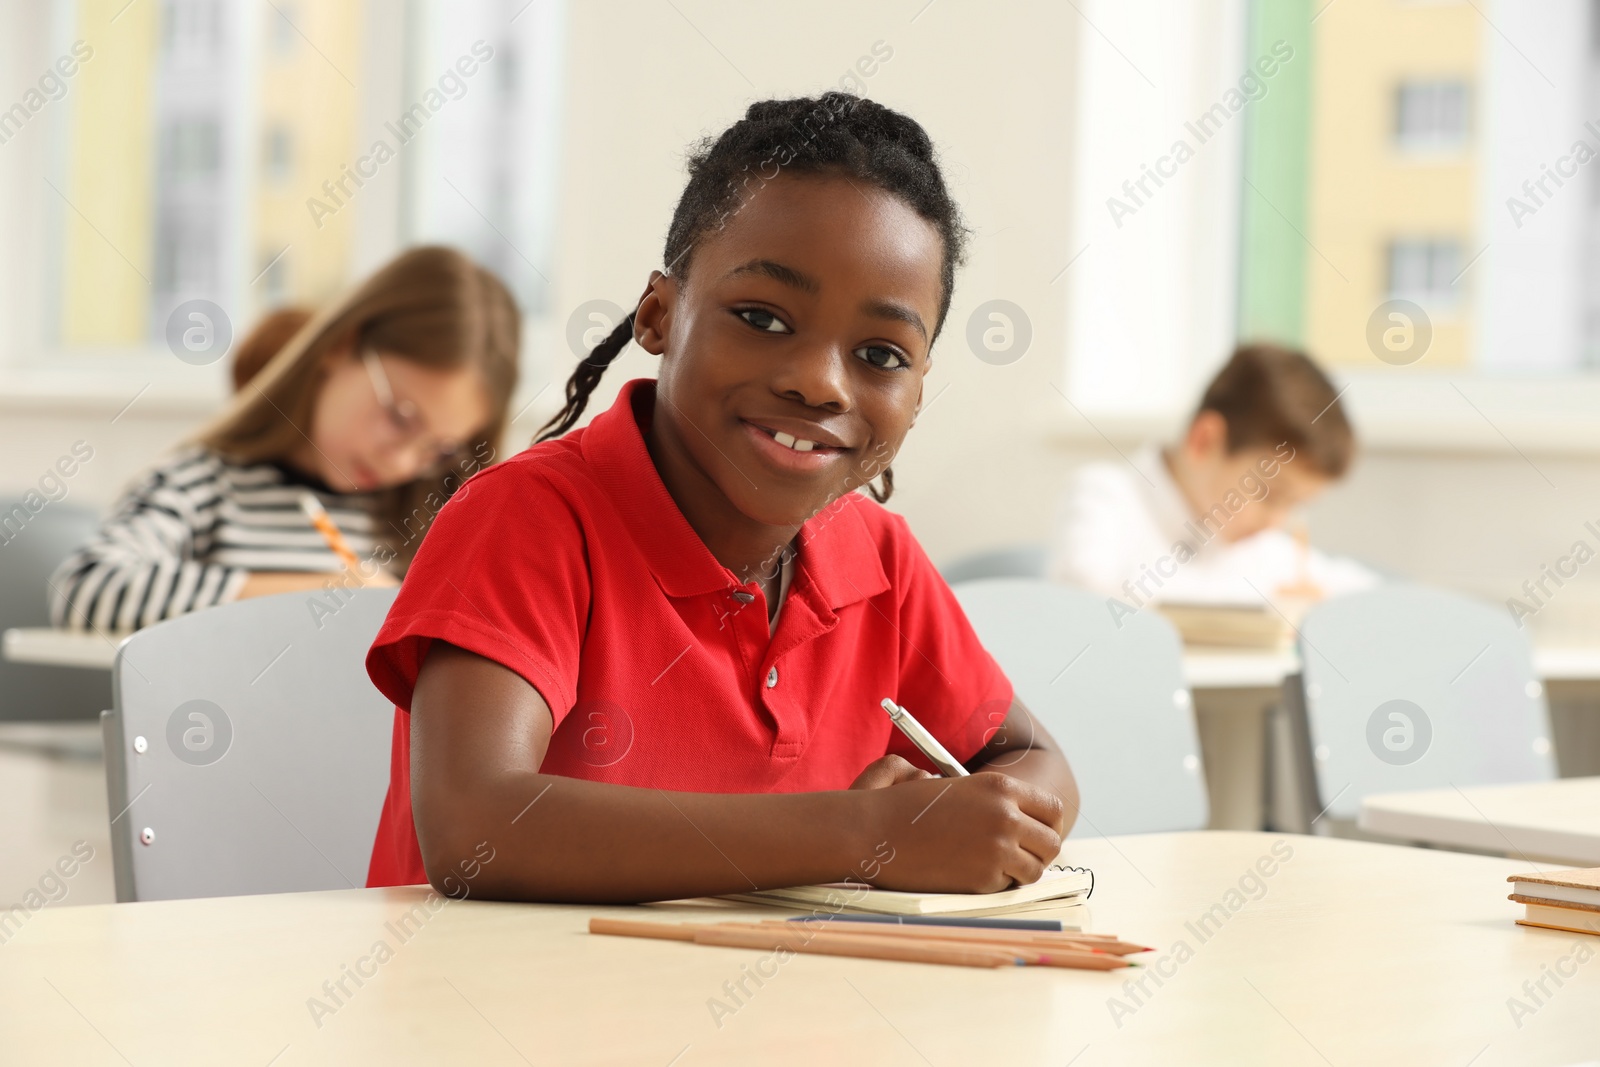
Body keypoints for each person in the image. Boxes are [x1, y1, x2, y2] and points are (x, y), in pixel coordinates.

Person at [364, 93, 1078, 903]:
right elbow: (476, 828)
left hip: (764, 1020)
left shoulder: (878, 557)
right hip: (494, 1017)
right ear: (660, 315)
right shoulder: (527, 518)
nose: (818, 381)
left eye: (881, 352)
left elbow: (1034, 763)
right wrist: (869, 837)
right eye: (762, 318)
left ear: (919, 389)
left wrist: (978, 811)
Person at [49, 246, 519, 633]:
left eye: (438, 449)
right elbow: (86, 590)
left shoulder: (434, 519)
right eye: (399, 418)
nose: (400, 462)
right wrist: (321, 593)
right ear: (340, 347)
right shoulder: (206, 486)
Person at [1048, 342, 1377, 611]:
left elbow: (1365, 592)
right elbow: (1087, 590)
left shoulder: (1257, 544)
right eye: (1270, 494)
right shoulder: (1106, 495)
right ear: (1204, 440)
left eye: (1295, 506)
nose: (1277, 522)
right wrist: (1268, 602)